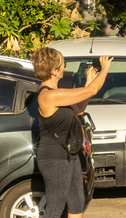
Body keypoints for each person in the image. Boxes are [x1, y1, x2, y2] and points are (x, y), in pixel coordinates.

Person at [33, 48, 113, 218]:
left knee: (76, 204)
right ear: (54, 70)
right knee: (55, 209)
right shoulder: (48, 95)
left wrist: (88, 81)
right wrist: (104, 70)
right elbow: (92, 91)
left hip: (70, 155)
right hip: (54, 159)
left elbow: (78, 109)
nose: (64, 68)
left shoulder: (58, 93)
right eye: (63, 64)